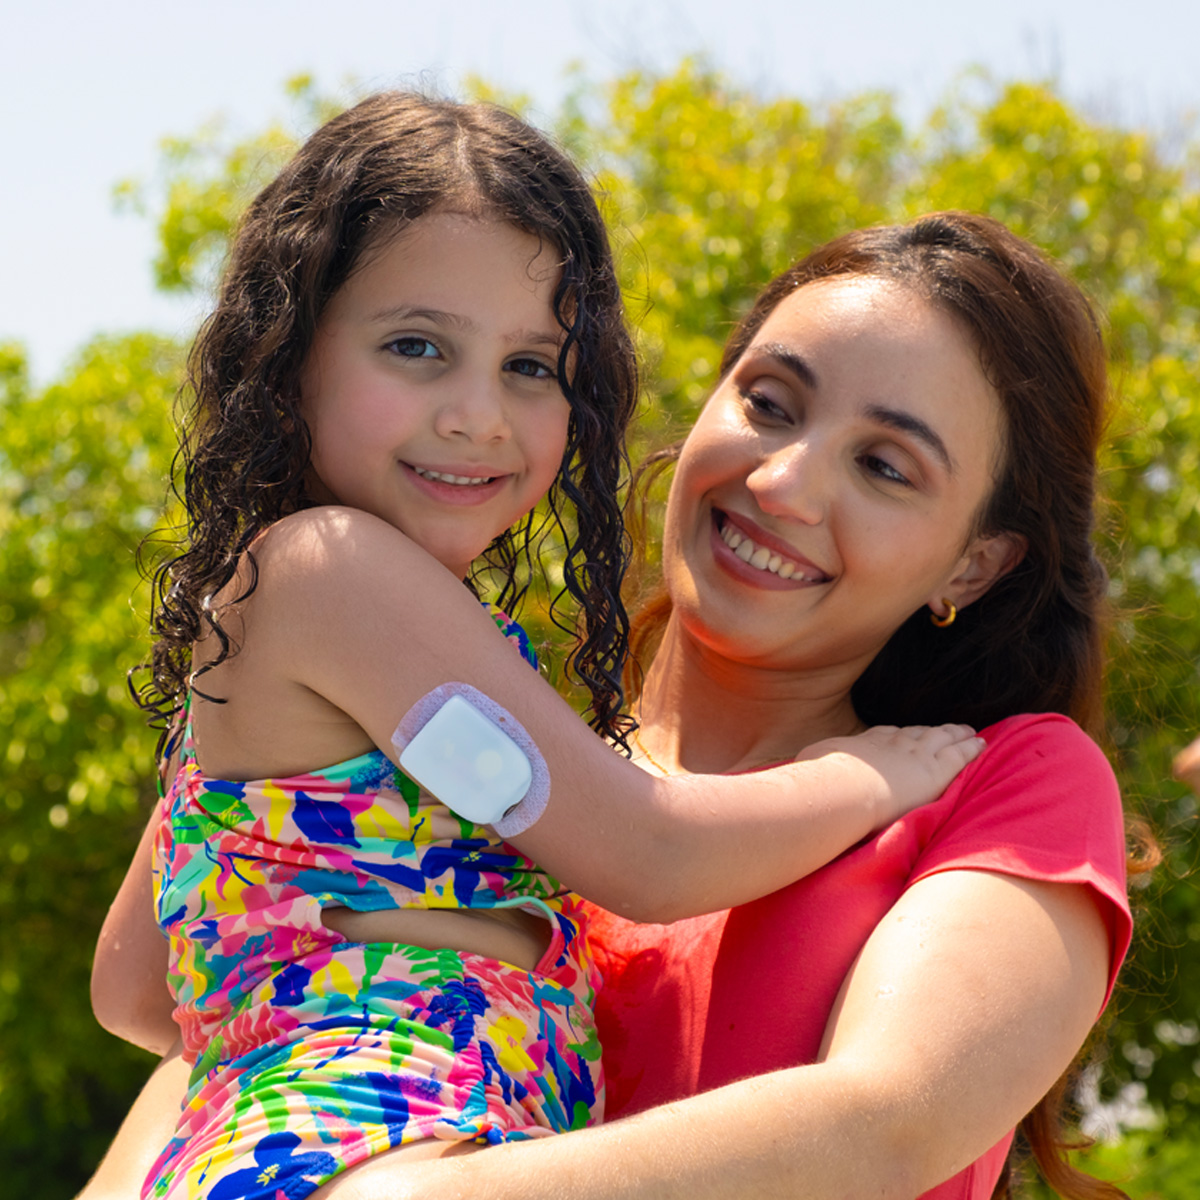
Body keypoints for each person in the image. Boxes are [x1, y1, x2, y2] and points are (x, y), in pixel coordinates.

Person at [86, 96, 982, 1200]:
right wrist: (872, 773)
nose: (478, 415)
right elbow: (650, 857)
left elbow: (134, 989)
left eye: (532, 367)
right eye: (415, 347)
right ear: (289, 355)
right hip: (369, 1147)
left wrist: (315, 935)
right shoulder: (330, 569)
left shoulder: (293, 626)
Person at [250, 211, 1136, 1200]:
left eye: (885, 467)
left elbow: (892, 1124)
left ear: (973, 566)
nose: (784, 481)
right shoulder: (493, 769)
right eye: (769, 402)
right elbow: (217, 1024)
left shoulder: (995, 784)